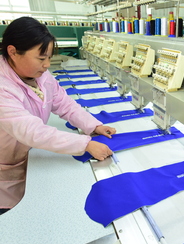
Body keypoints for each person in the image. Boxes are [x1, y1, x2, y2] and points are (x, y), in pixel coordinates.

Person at [0, 17, 116, 214]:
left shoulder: (41, 75)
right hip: (6, 170)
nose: (47, 65)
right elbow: (31, 131)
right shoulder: (3, 87)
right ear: (13, 52)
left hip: (29, 157)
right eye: (41, 58)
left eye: (49, 58)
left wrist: (93, 125)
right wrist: (85, 144)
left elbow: (64, 104)